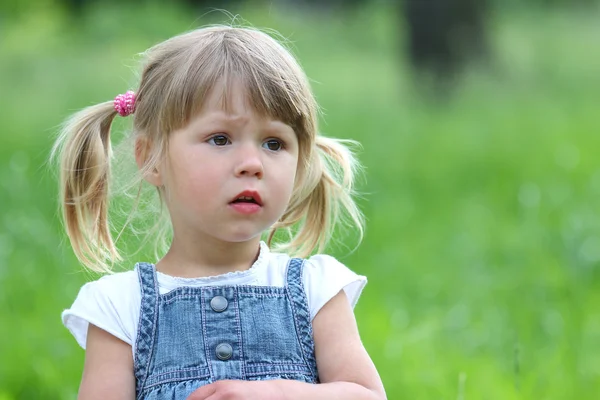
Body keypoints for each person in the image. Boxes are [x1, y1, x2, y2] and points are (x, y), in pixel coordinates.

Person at [55, 25, 386, 400]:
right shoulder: (119, 308)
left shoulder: (315, 291)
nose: (252, 164)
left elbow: (367, 395)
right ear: (151, 158)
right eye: (220, 139)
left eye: (274, 143)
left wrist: (275, 394)